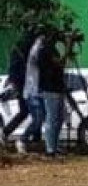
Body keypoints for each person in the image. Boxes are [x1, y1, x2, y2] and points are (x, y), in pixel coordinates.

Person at [33, 28, 68, 159]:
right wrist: (68, 46)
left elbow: (61, 65)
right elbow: (59, 63)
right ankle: (50, 150)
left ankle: (55, 145)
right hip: (50, 89)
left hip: (57, 88)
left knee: (59, 118)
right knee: (52, 119)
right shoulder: (45, 50)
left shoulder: (52, 49)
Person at [2, 30, 36, 153]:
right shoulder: (25, 50)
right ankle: (20, 138)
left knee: (26, 112)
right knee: (35, 114)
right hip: (25, 85)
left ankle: (6, 133)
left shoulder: (17, 49)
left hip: (23, 84)